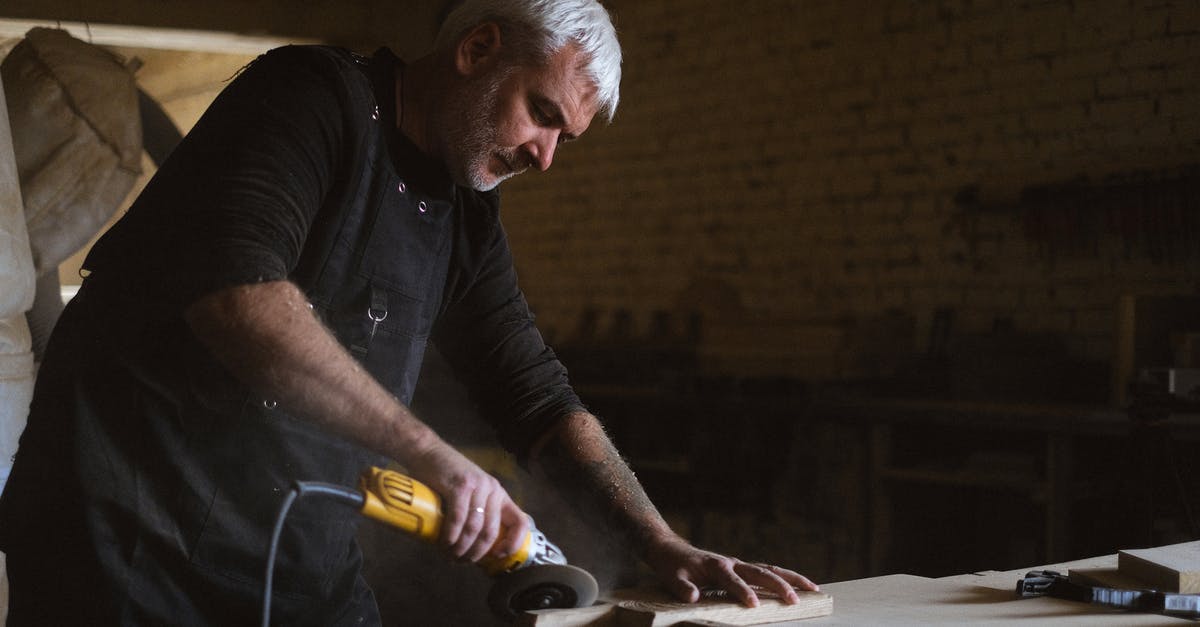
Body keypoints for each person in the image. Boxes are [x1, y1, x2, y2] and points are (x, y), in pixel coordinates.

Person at [0, 1, 818, 624]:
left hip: (288, 552)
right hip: (124, 538)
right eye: (541, 112)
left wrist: (659, 541)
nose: (545, 155)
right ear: (476, 50)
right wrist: (439, 459)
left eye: (565, 137)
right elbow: (237, 295)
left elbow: (536, 396)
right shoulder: (310, 99)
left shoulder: (464, 214)